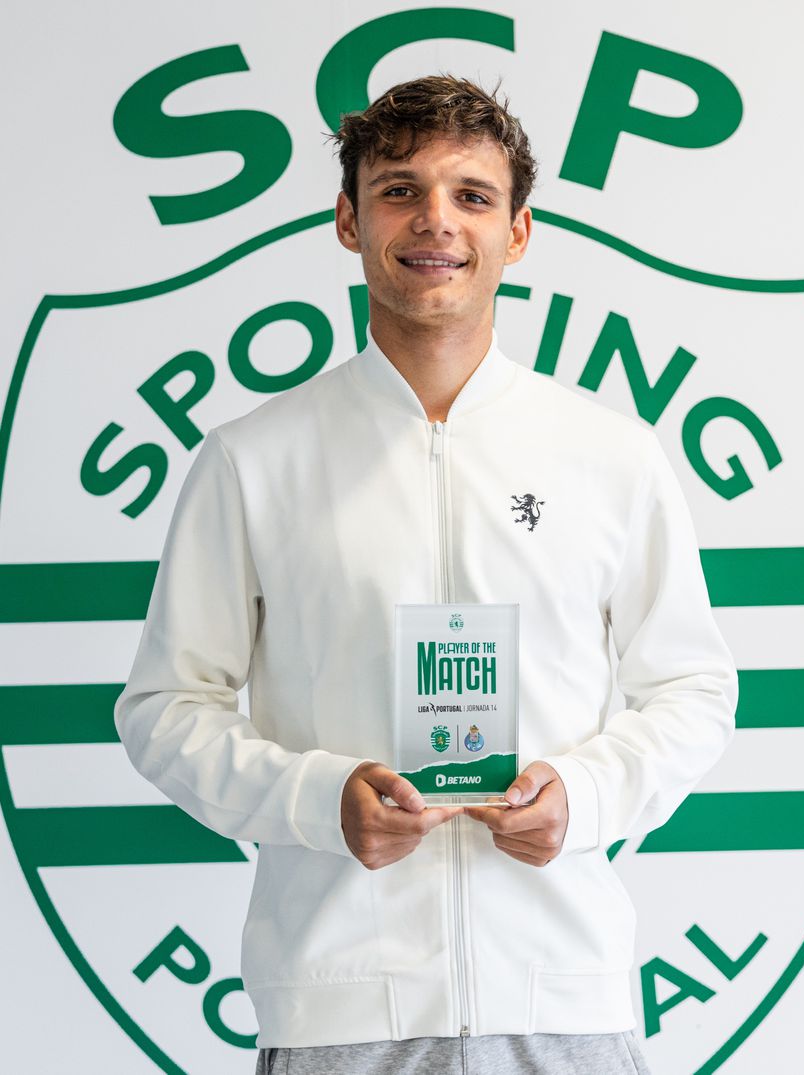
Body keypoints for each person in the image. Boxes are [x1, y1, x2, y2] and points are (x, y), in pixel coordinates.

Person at [115, 75, 737, 1074]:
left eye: (471, 195)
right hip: (338, 1010)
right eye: (398, 190)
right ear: (348, 220)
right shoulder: (253, 460)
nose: (435, 220)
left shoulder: (610, 456)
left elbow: (694, 688)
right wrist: (320, 799)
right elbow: (164, 708)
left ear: (517, 232)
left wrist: (582, 795)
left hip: (562, 999)